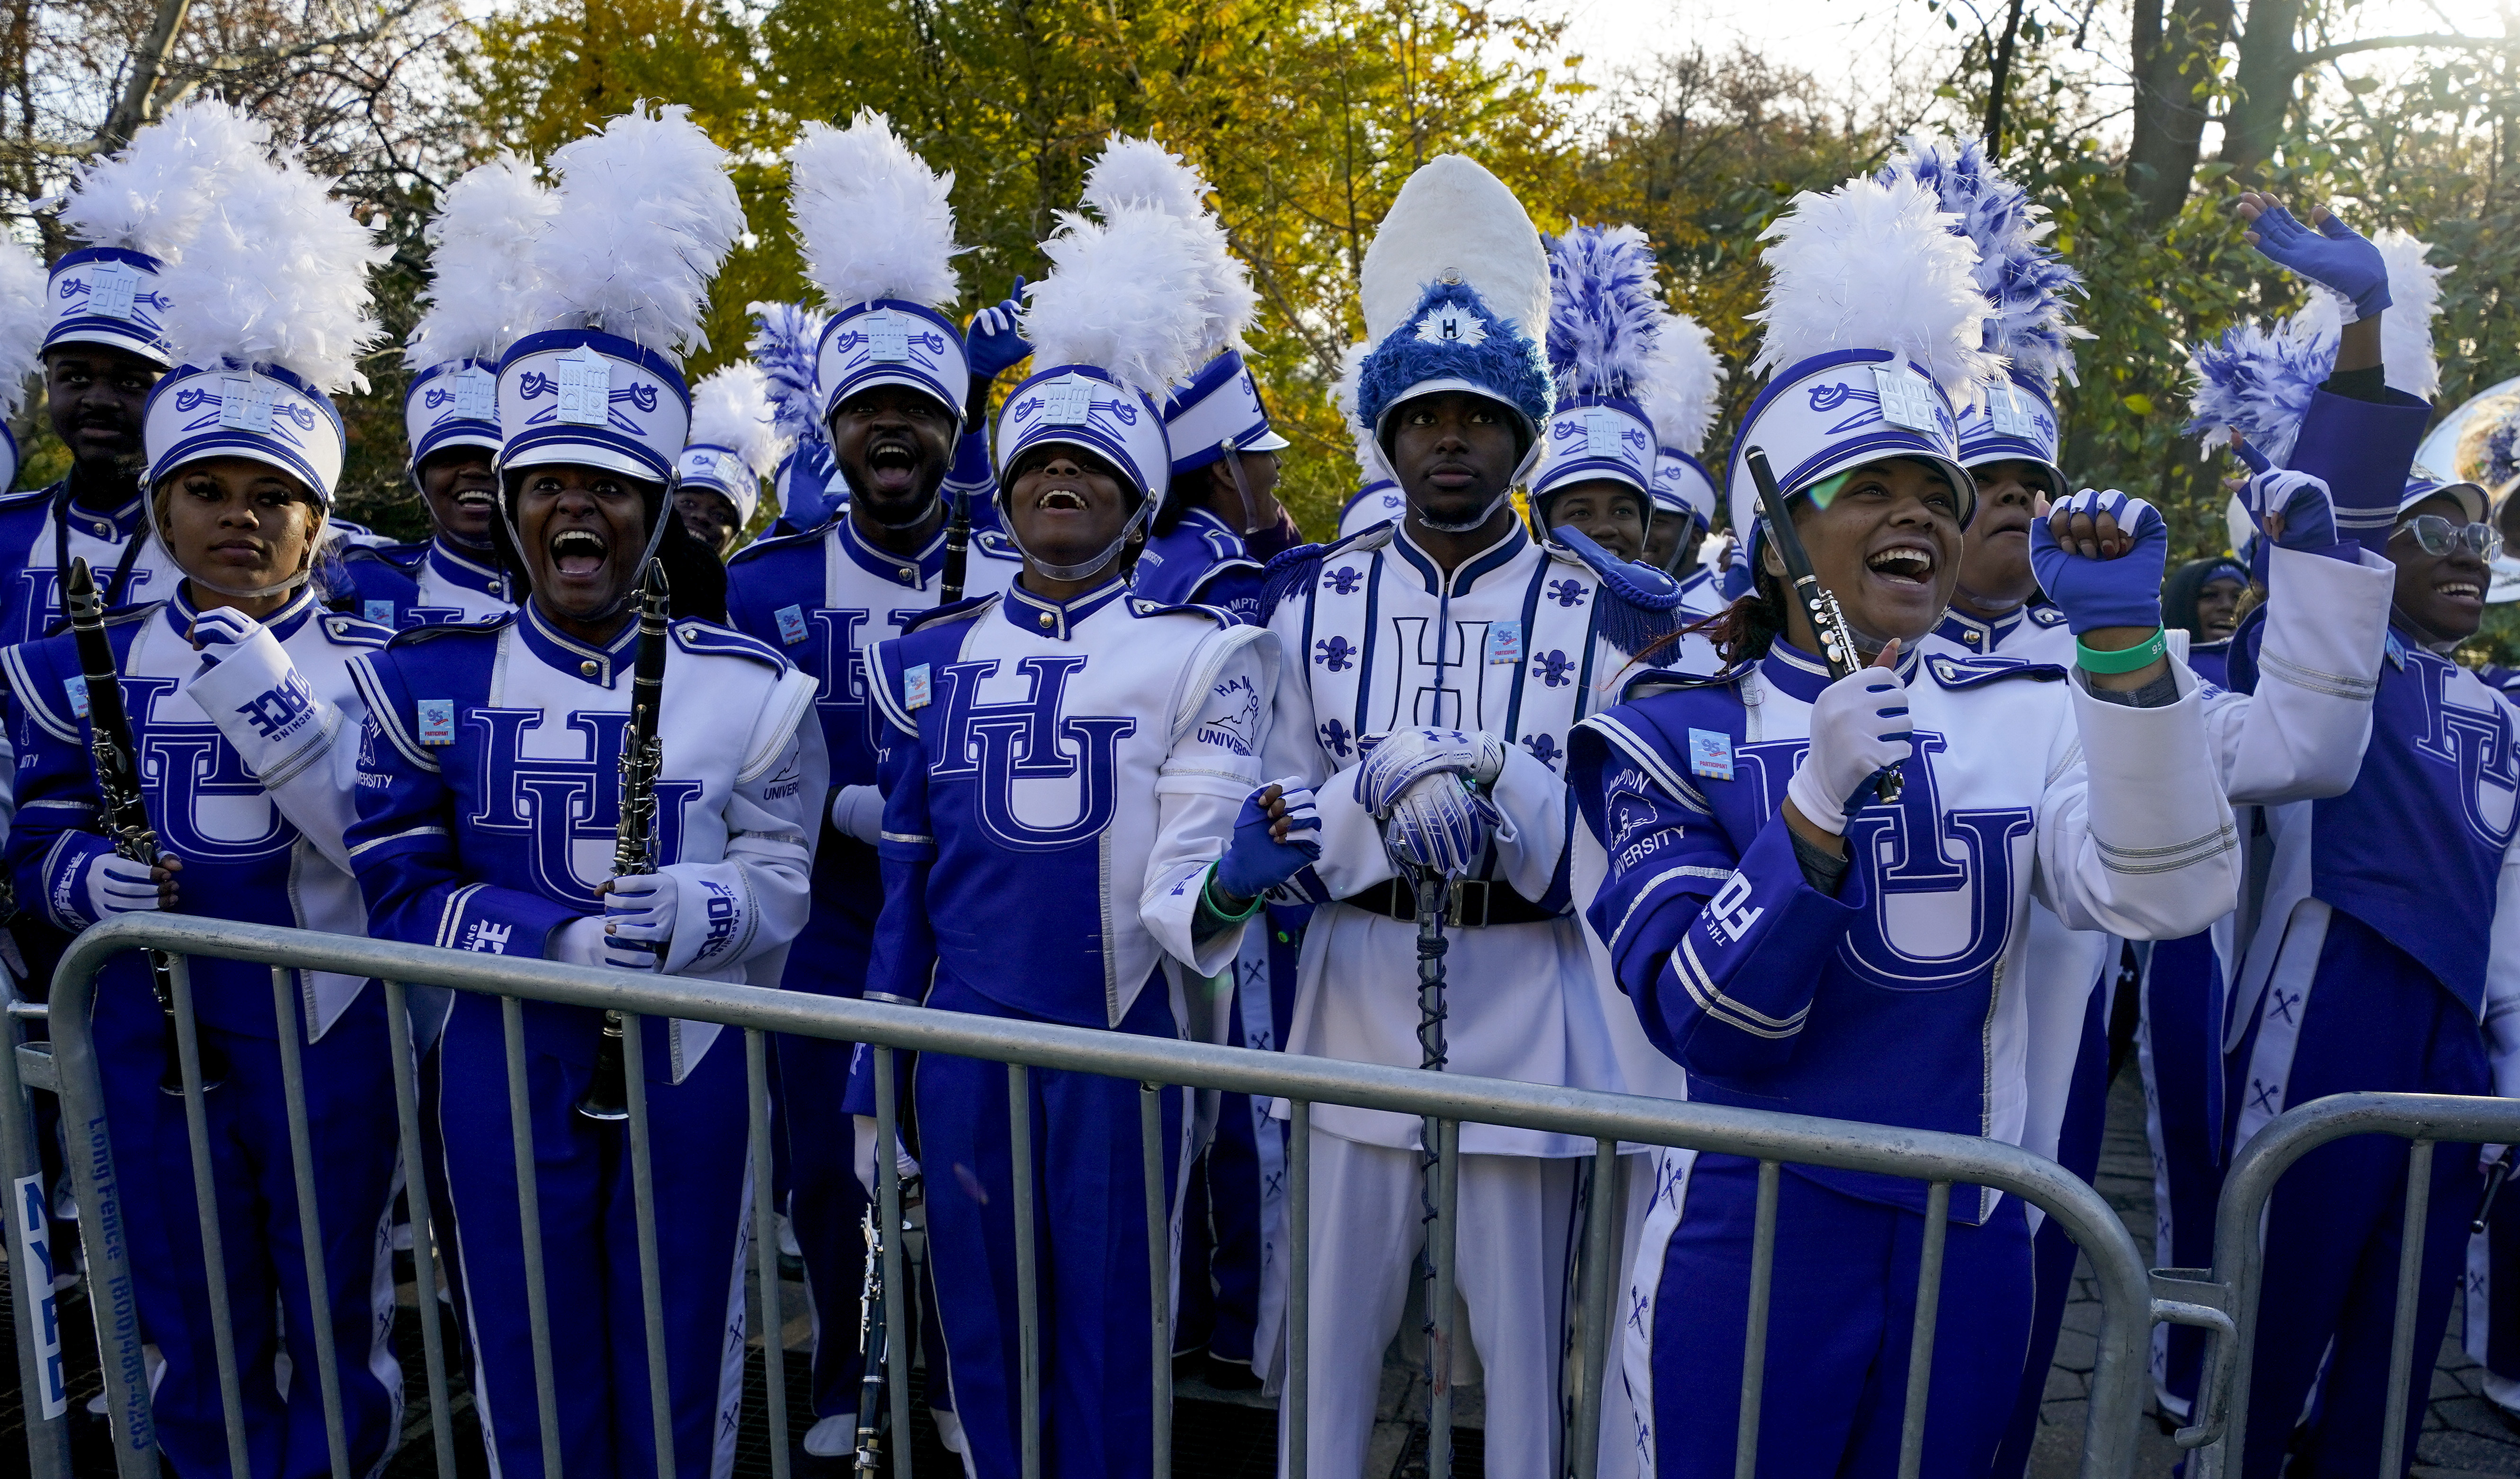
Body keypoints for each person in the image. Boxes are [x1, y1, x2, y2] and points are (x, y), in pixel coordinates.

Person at [1567, 167, 2254, 1479]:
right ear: (1776, 541)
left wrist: (2117, 652)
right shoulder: (1663, 729)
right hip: (1745, 1233)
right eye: (1868, 488)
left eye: (1936, 495)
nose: (1921, 518)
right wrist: (1812, 811)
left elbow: (2165, 894)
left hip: (1973, 1233)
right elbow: (1710, 1019)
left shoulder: (2026, 707)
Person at [341, 106, 818, 1479]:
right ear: (508, 497)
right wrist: (545, 937)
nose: (575, 510)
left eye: (608, 488)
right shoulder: (426, 677)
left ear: (656, 511)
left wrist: (699, 903)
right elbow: (387, 872)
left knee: (683, 1364)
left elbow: (783, 877)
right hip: (499, 1055)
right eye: (545, 479)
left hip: (690, 1057)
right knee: (530, 1359)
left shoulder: (748, 683)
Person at [1253, 154, 1685, 1479]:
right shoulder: (1306, 599)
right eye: (1427, 413)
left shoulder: (1591, 604)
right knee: (1329, 1355)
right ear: (1385, 433)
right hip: (1349, 991)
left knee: (1521, 1360)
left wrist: (1493, 772)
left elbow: (1616, 842)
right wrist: (1371, 786)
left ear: (1520, 437)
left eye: (1481, 415)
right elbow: (1268, 820)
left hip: (1522, 1001)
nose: (1452, 436)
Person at [857, 190, 1295, 1479]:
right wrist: (873, 1068)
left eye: (1093, 468)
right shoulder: (931, 655)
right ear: (1003, 491)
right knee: (980, 1340)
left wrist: (1230, 887)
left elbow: (1184, 901)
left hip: (1118, 1049)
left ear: (1136, 500)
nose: (1062, 479)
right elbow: (905, 885)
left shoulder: (1202, 653)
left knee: (1110, 1341)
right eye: (1040, 460)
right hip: (956, 1047)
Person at [2, 105, 409, 1476]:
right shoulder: (84, 656)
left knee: (329, 1296)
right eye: (208, 491)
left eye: (269, 496)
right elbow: (39, 822)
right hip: (143, 1022)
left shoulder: (380, 659)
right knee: (187, 1298)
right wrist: (78, 880)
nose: (237, 516)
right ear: (165, 511)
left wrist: (273, 705)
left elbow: (388, 842)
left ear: (316, 522)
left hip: (322, 1016)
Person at [717, 112, 1025, 1466]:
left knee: (960, 1162)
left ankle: (960, 1367)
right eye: (866, 410)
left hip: (969, 919)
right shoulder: (762, 581)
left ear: (951, 428)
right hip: (826, 922)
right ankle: (843, 1360)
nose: (891, 430)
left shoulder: (1018, 570)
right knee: (826, 1168)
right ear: (835, 430)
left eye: (917, 408)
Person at [1077, 138, 1301, 622]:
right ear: (1225, 469)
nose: (1276, 467)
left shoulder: (1158, 545)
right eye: (1261, 451)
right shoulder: (1225, 572)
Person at [352, 154, 550, 629]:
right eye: (448, 456)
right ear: (419, 473)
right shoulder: (359, 582)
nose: (472, 471)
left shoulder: (586, 598)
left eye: (492, 456)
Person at [1634, 308, 1726, 600]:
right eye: (1634, 516)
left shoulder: (1726, 615)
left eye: (1659, 521)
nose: (1640, 531)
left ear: (1695, 538)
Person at [674, 363, 785, 556]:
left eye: (720, 515)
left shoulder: (740, 587)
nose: (701, 517)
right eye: (689, 503)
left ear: (732, 540)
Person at [2163, 554, 2252, 684]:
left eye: (2239, 597)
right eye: (2210, 595)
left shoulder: (2271, 671)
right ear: (2180, 605)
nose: (2227, 606)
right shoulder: (2155, 671)